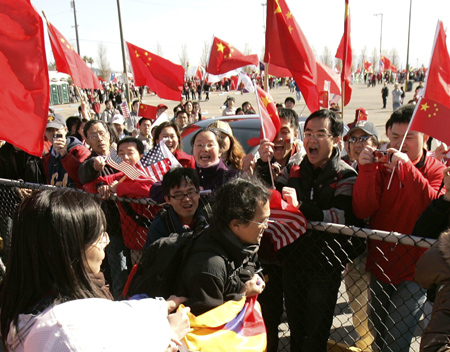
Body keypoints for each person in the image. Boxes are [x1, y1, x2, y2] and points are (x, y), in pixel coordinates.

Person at [0, 188, 190, 352]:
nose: (106, 242)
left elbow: (121, 312)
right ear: (70, 248)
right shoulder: (65, 331)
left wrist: (161, 306)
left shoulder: (26, 310)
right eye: (99, 236)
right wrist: (168, 334)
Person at [352, 104, 446, 352]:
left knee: (397, 342)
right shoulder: (381, 166)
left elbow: (431, 209)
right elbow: (363, 209)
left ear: (425, 139)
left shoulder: (436, 170)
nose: (401, 143)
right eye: (395, 136)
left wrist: (408, 170)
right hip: (381, 264)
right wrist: (366, 170)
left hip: (416, 271)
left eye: (409, 137)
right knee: (378, 337)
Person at [281, 109, 363, 352]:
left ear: (336, 139)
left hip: (325, 265)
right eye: (307, 133)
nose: (311, 140)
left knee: (316, 334)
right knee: (295, 331)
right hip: (293, 261)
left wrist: (301, 208)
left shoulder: (346, 174)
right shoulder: (293, 168)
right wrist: (267, 172)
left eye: (320, 134)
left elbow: (339, 217)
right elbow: (274, 201)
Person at [179, 177, 269, 315]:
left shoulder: (245, 242)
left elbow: (252, 266)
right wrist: (242, 293)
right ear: (236, 224)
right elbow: (206, 323)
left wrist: (257, 277)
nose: (266, 226)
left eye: (268, 219)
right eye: (262, 221)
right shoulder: (209, 266)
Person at [78, 120, 130, 299]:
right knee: (119, 273)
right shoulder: (93, 162)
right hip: (112, 228)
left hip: (133, 225)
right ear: (87, 141)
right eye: (93, 135)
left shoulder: (120, 157)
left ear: (109, 134)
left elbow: (137, 177)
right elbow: (84, 174)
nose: (99, 138)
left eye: (102, 133)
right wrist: (95, 167)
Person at [145, 167, 210, 247]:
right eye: (178, 195)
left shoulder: (212, 217)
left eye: (191, 192)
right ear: (167, 199)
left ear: (198, 193)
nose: (186, 199)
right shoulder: (159, 227)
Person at [42, 114, 90, 189]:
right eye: (49, 130)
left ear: (65, 130)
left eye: (57, 129)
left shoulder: (79, 150)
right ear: (44, 133)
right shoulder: (47, 158)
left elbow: (83, 178)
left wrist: (65, 155)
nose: (54, 133)